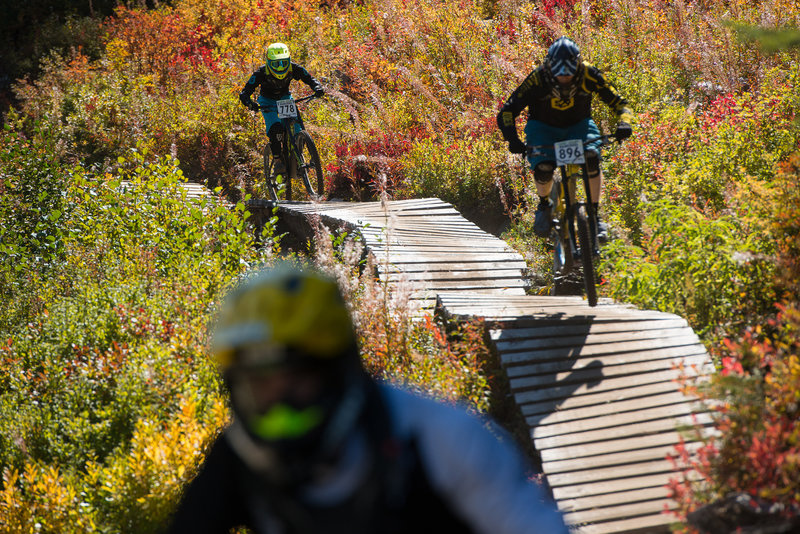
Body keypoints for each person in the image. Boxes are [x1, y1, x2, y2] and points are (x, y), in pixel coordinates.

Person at [165, 263, 570, 534]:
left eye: (298, 381)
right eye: (260, 388)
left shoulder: (443, 439)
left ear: (340, 371)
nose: (281, 408)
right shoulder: (239, 458)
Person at [497, 36, 633, 240]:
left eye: (569, 75)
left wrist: (624, 123)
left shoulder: (589, 73)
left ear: (577, 66)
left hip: (579, 126)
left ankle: (594, 216)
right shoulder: (538, 77)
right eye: (560, 76)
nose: (564, 79)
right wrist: (513, 139)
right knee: (543, 167)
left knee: (592, 159)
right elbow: (508, 110)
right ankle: (544, 205)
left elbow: (620, 103)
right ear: (550, 68)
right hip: (543, 128)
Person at [240, 42, 325, 174]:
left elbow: (309, 78)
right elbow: (245, 93)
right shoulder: (261, 73)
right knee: (276, 130)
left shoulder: (294, 68)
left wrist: (317, 87)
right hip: (267, 101)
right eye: (275, 64)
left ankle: (298, 158)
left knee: (298, 131)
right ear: (268, 62)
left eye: (283, 63)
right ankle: (278, 160)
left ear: (289, 60)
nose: (280, 68)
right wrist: (250, 103)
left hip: (285, 99)